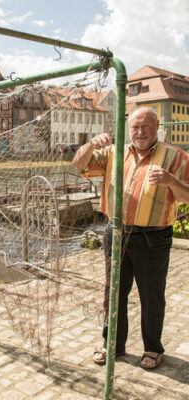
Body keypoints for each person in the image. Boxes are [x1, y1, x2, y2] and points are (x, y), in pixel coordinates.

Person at [72, 107, 189, 369]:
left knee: (151, 296)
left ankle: (152, 348)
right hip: (116, 232)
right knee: (113, 293)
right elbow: (79, 164)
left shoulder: (176, 156)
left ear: (157, 126)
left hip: (153, 237)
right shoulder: (114, 153)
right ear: (128, 129)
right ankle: (112, 344)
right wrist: (90, 144)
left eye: (145, 126)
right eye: (135, 127)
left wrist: (171, 181)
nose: (140, 132)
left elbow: (187, 196)